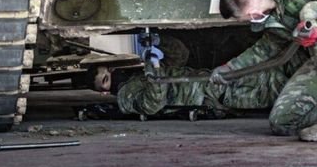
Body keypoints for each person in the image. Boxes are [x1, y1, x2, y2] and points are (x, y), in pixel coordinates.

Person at [214, 0, 317, 141]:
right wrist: (230, 68)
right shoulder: (276, 17)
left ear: (252, 15)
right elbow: (267, 48)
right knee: (283, 122)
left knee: (308, 13)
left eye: (246, 20)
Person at [87, 35, 302, 121]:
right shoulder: (126, 96)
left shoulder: (139, 73)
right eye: (106, 79)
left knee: (276, 72)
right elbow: (153, 104)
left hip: (215, 80)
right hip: (216, 97)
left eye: (109, 70)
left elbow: (181, 55)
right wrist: (154, 70)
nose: (112, 75)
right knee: (284, 90)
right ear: (105, 91)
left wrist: (159, 42)